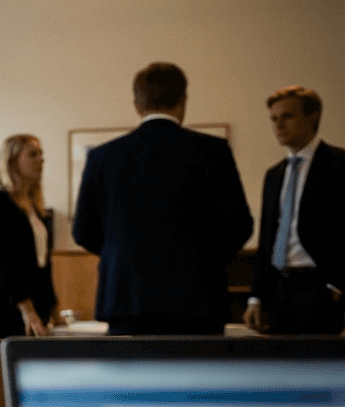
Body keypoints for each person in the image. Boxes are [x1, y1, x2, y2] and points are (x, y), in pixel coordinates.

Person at [72, 62, 252, 336]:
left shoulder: (103, 157)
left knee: (133, 379)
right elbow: (239, 224)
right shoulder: (213, 151)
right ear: (183, 101)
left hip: (126, 298)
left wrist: (124, 253)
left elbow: (83, 230)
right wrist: (202, 259)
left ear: (137, 105)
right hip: (198, 298)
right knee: (199, 377)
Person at [244, 85, 345, 335]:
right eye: (274, 119)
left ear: (312, 117)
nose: (278, 125)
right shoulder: (275, 174)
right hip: (279, 288)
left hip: (319, 286)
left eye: (287, 116)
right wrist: (256, 297)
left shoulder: (339, 165)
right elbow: (267, 238)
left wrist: (336, 287)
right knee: (279, 368)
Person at [0, 134, 58, 338]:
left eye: (41, 155)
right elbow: (3, 264)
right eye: (33, 155)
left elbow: (42, 263)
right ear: (12, 162)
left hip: (31, 309)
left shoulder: (34, 207)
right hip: (1, 313)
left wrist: (51, 306)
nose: (41, 160)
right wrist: (29, 311)